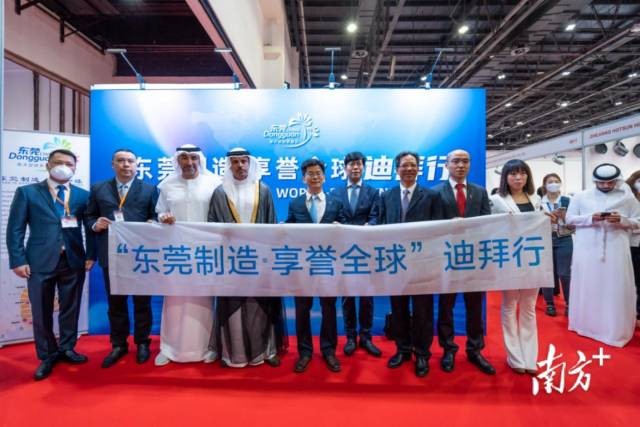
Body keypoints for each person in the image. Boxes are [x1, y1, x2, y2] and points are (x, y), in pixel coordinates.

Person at [6, 149, 94, 380]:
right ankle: (47, 355)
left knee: (70, 307)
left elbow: (90, 229)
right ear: (48, 165)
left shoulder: (83, 196)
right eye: (58, 162)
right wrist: (18, 260)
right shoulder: (27, 192)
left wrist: (91, 255)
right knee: (41, 310)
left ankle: (67, 348)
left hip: (73, 260)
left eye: (69, 163)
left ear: (75, 168)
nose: (63, 167)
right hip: (39, 261)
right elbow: (15, 229)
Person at [208, 148, 287, 367]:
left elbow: (271, 223)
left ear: (250, 164)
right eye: (235, 162)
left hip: (259, 258)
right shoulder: (220, 192)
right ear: (229, 165)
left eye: (244, 161)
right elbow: (211, 224)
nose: (240, 166)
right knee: (232, 304)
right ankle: (233, 353)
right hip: (230, 259)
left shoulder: (263, 190)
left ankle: (267, 351)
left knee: (260, 304)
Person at [86, 149, 157, 368]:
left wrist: (153, 223)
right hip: (112, 254)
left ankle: (142, 342)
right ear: (113, 164)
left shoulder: (149, 189)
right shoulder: (98, 189)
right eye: (121, 161)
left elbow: (156, 215)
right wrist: (95, 224)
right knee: (115, 303)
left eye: (130, 161)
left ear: (137, 165)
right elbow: (89, 216)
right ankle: (118, 345)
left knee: (142, 302)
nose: (126, 164)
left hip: (141, 256)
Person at [155, 144, 221, 365]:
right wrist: (164, 217)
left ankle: (207, 347)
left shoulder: (214, 183)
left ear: (200, 159)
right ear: (177, 160)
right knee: (174, 300)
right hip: (176, 251)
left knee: (203, 301)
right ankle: (168, 348)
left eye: (193, 157)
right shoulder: (167, 185)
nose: (189, 162)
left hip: (206, 252)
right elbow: (160, 212)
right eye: (184, 158)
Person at [379, 151, 443, 378]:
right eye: (404, 165)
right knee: (398, 309)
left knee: (423, 310)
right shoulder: (386, 196)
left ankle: (422, 353)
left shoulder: (431, 196)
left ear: (418, 168)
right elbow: (380, 227)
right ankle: (403, 349)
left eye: (413, 165)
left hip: (422, 263)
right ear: (397, 169)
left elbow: (439, 229)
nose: (409, 169)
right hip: (395, 262)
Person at [433, 149, 495, 375]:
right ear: (447, 164)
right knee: (446, 306)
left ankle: (475, 349)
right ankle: (448, 348)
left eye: (465, 161)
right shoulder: (435, 193)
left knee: (475, 306)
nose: (461, 165)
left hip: (474, 258)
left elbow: (487, 223)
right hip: (446, 257)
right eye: (456, 161)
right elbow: (430, 226)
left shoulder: (479, 192)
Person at [566, 163, 640, 347]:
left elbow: (638, 221)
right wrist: (591, 218)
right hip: (587, 250)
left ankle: (612, 330)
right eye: (601, 182)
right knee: (588, 285)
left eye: (610, 182)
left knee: (614, 288)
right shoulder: (581, 196)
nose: (606, 186)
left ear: (617, 180)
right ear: (595, 181)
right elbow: (569, 219)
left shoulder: (627, 198)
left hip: (616, 251)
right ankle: (585, 325)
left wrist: (622, 220)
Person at [286, 158, 346, 373]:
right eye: (310, 174)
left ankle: (329, 350)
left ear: (324, 177)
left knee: (329, 308)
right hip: (302, 266)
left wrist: (342, 227)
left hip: (328, 264)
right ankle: (304, 352)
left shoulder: (336, 203)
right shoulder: (295, 204)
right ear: (304, 178)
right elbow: (289, 230)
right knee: (302, 309)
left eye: (318, 173)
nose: (315, 177)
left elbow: (345, 232)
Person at [490, 159, 541, 375]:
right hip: (509, 257)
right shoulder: (496, 200)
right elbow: (490, 228)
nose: (518, 177)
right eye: (513, 174)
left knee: (529, 307)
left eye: (522, 173)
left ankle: (530, 357)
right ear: (505, 177)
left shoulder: (536, 198)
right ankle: (515, 356)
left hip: (534, 257)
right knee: (510, 305)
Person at [330, 151, 382, 358]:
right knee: (347, 296)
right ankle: (351, 337)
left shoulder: (373, 192)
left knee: (367, 296)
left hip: (366, 251)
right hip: (344, 252)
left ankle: (366, 337)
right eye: (351, 164)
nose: (355, 167)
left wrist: (369, 227)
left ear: (363, 167)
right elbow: (334, 216)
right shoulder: (335, 193)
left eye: (359, 164)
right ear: (345, 168)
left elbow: (376, 216)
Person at [539, 173, 573, 317]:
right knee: (547, 273)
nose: (554, 183)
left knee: (565, 274)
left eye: (556, 181)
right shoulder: (538, 202)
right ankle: (549, 303)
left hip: (564, 238)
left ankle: (569, 304)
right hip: (544, 239)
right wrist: (545, 218)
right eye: (550, 181)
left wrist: (565, 217)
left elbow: (575, 223)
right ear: (545, 185)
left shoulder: (568, 200)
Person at [626, 170, 640, 327]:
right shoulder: (628, 199)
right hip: (632, 245)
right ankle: (632, 313)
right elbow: (625, 223)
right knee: (633, 281)